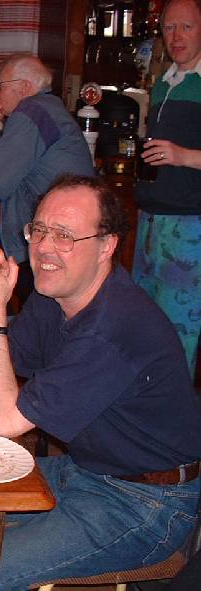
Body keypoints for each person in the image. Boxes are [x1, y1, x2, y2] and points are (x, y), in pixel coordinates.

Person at [0, 174, 201, 591]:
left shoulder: (113, 326)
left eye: (65, 235)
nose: (44, 247)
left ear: (106, 246)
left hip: (147, 502)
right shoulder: (54, 297)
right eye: (38, 230)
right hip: (87, 470)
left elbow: (7, 422)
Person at [0, 54, 94, 304]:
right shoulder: (47, 108)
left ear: (24, 87)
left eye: (0, 85)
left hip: (53, 239)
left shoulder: (32, 112)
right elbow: (10, 169)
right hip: (63, 234)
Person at [133, 0, 201, 380]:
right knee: (145, 326)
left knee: (179, 332)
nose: (176, 36)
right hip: (151, 221)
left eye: (186, 27)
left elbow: (178, 154)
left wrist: (183, 156)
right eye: (169, 27)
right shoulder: (163, 83)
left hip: (189, 227)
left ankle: (174, 409)